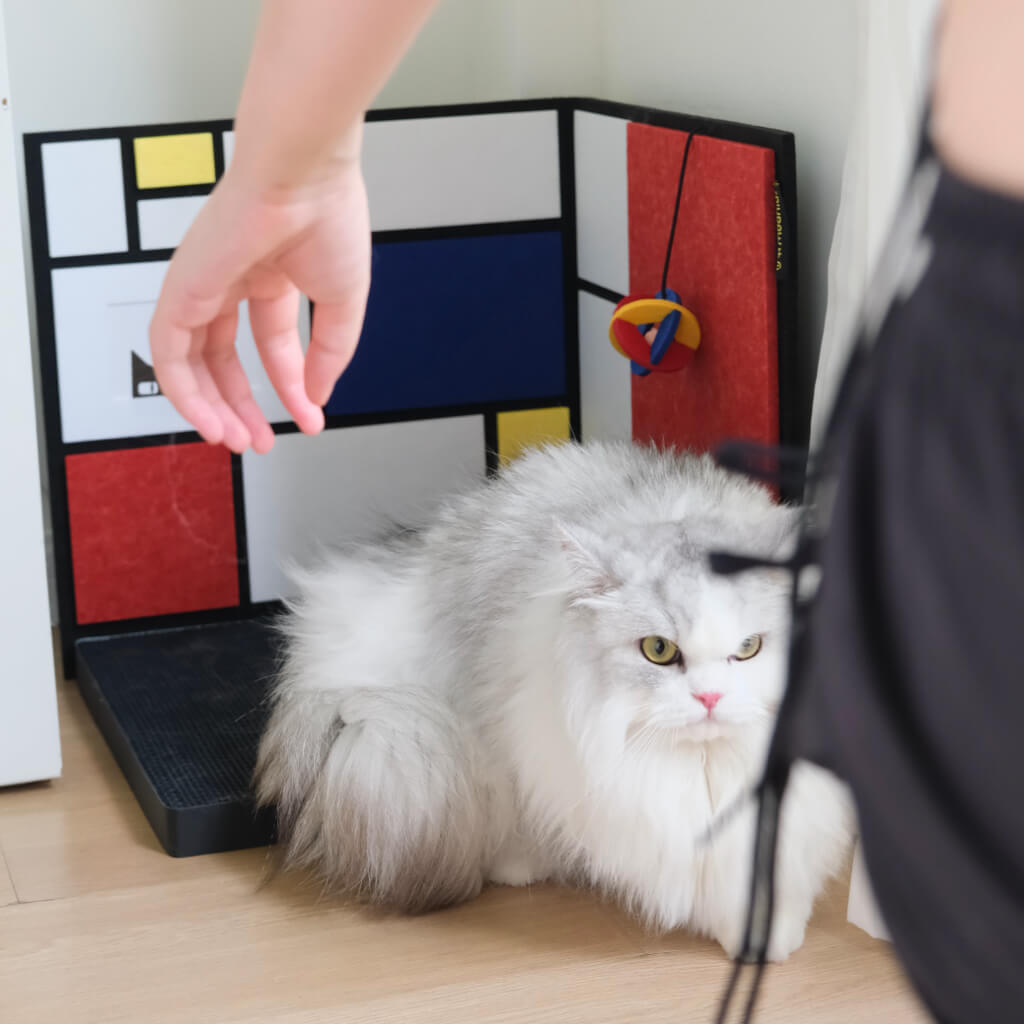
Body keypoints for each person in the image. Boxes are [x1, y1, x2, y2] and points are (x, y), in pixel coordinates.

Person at [150, 3, 1024, 1022]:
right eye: (668, 657)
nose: (706, 693)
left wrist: (288, 165)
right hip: (558, 549)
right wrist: (291, 167)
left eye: (737, 658)